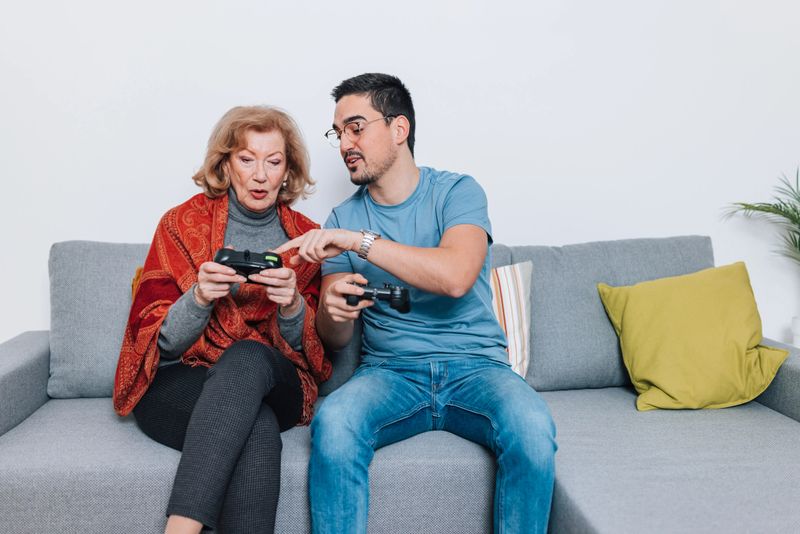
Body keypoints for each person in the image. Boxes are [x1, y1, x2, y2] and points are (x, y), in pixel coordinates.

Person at [275, 73, 557, 533]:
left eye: (356, 127)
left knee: (532, 428)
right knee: (335, 424)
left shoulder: (457, 192)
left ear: (399, 129)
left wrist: (360, 243)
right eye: (339, 132)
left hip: (477, 368)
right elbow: (334, 335)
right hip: (391, 372)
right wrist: (335, 311)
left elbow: (454, 277)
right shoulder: (343, 216)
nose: (345, 142)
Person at [113, 106, 331, 534]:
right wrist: (198, 297)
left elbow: (318, 354)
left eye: (274, 161)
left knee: (248, 356)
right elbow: (162, 344)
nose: (261, 175)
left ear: (288, 170)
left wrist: (291, 307)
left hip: (276, 380)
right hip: (184, 381)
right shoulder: (180, 225)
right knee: (256, 428)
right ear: (225, 164)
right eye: (247, 159)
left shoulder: (308, 240)